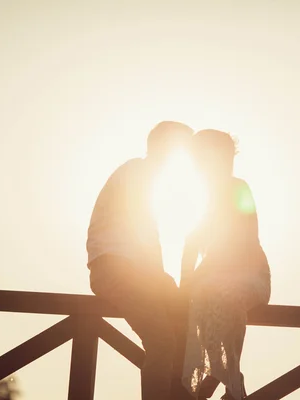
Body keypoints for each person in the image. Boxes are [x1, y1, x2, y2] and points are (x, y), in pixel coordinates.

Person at [87, 121, 194, 400]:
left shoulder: (142, 174)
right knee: (161, 340)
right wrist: (160, 278)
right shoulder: (139, 174)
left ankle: (178, 392)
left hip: (127, 269)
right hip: (116, 269)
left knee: (184, 321)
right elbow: (143, 234)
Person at [181, 129, 271, 400]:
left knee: (223, 297)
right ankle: (221, 377)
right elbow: (191, 244)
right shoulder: (200, 196)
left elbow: (246, 238)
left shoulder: (238, 188)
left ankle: (225, 380)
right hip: (214, 280)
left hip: (250, 275)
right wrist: (185, 285)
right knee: (197, 301)